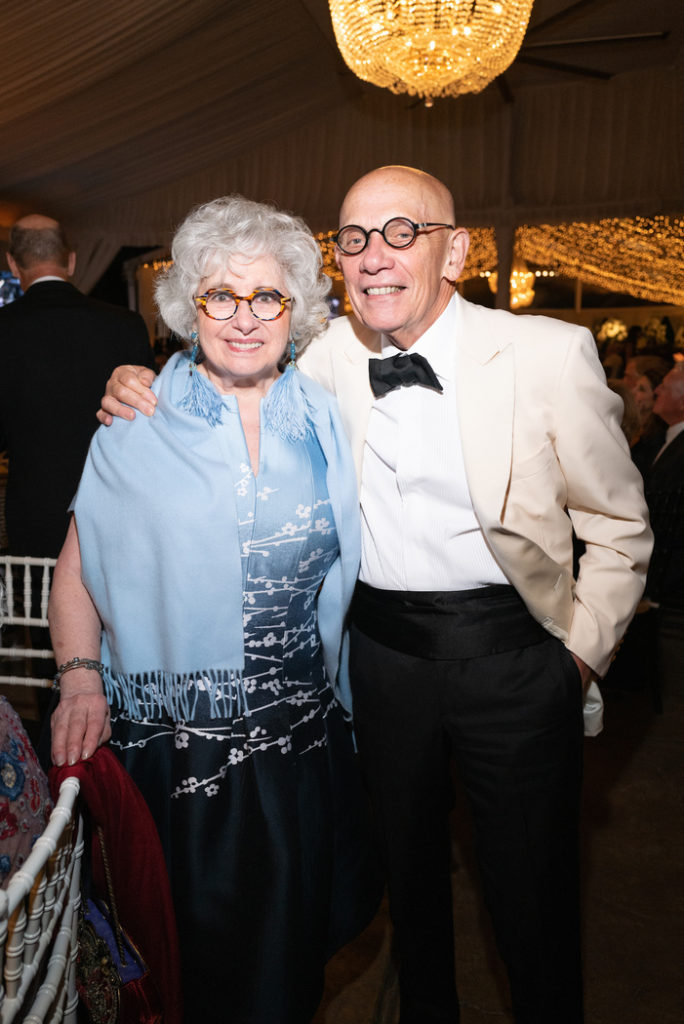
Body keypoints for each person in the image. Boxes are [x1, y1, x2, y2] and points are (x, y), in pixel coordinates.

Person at [98, 167, 652, 1024]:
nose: (373, 258)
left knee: (532, 900)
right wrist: (135, 382)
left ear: (456, 249)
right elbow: (220, 359)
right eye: (354, 239)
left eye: (403, 233)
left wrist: (576, 658)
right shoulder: (319, 356)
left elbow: (620, 528)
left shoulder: (546, 353)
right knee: (411, 897)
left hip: (514, 659)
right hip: (381, 665)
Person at [48, 196, 377, 1024]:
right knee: (180, 968)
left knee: (287, 963)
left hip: (303, 747)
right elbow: (79, 567)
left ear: (295, 309)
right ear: (187, 304)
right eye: (219, 296)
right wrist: (81, 680)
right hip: (180, 761)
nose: (243, 317)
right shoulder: (137, 418)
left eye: (266, 296)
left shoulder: (326, 418)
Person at [0, 214, 154, 558]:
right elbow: (148, 424)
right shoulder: (125, 324)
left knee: (40, 607)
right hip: (118, 508)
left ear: (12, 263)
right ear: (71, 260)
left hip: (34, 512)